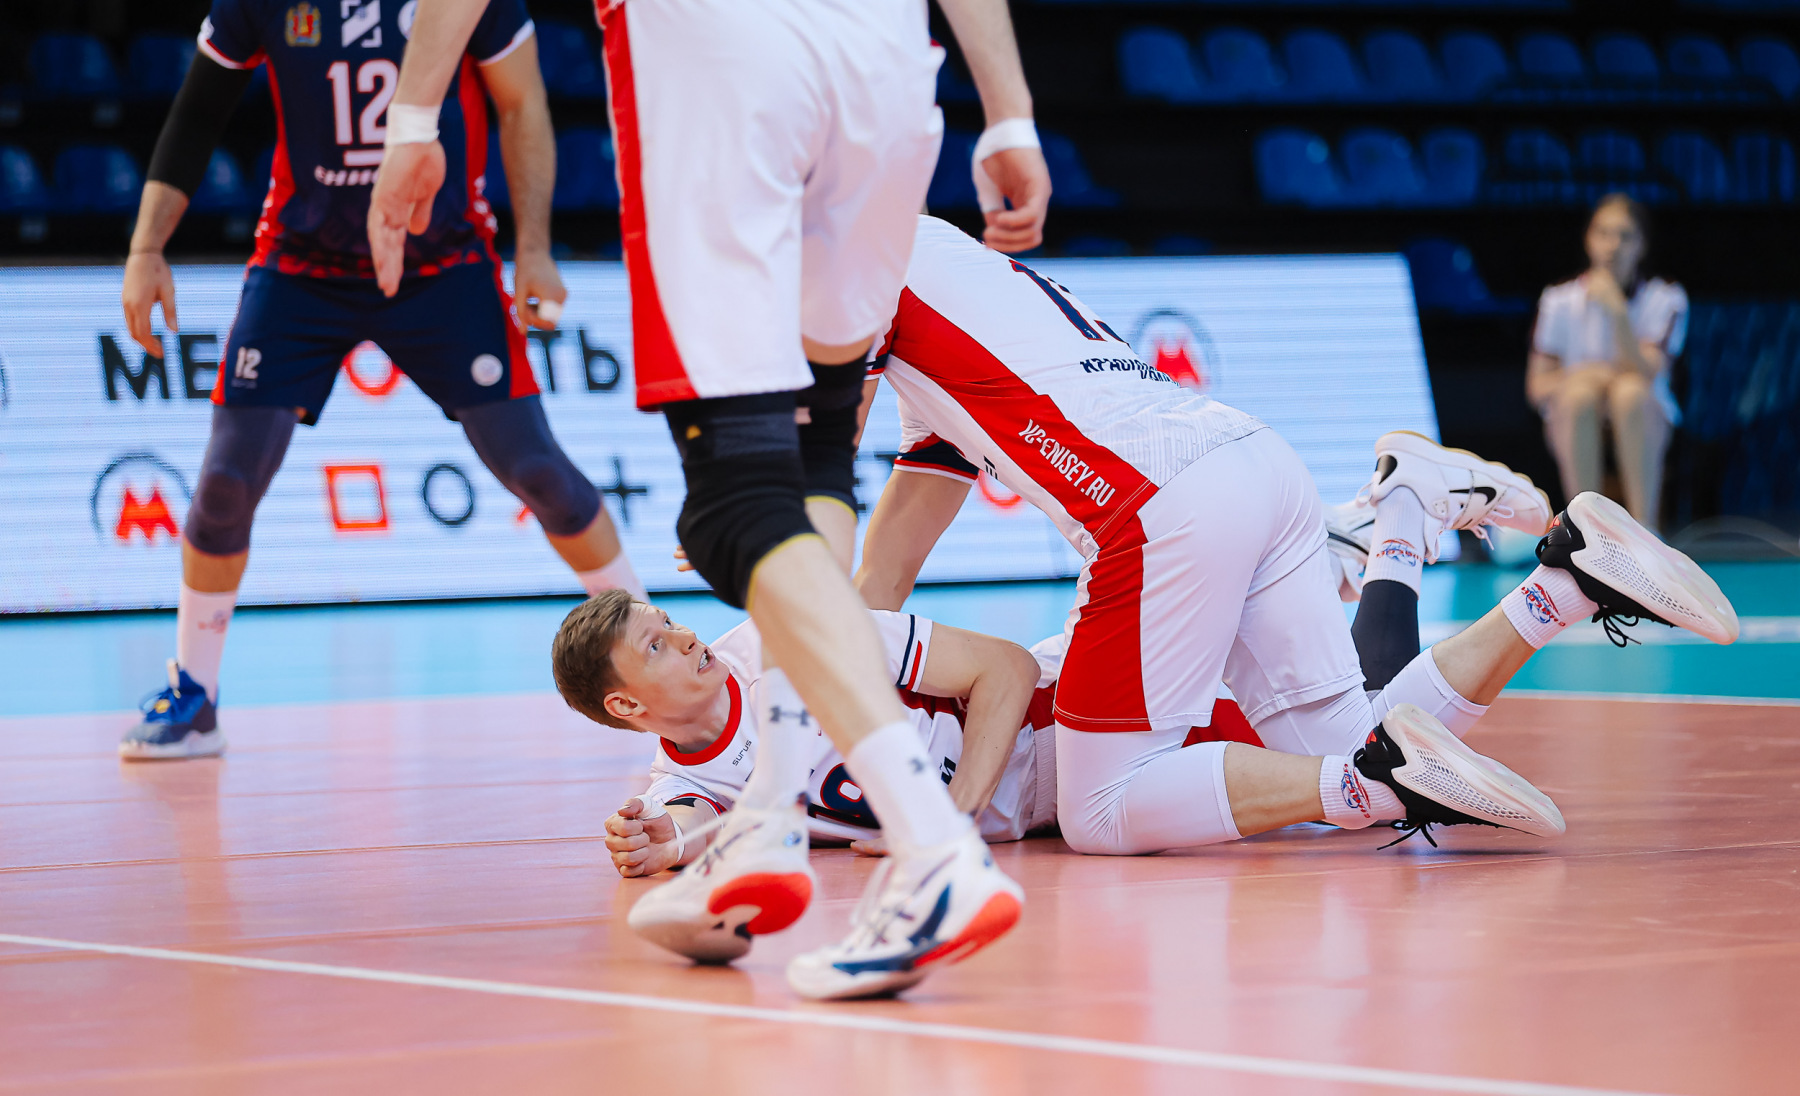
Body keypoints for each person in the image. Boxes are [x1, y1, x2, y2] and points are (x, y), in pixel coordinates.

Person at [368, 0, 1052, 999]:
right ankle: (768, 813)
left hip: (711, 14)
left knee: (733, 504)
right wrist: (1009, 113)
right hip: (879, 29)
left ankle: (933, 851)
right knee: (817, 450)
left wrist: (412, 121)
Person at [853, 216, 1740, 857]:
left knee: (1103, 809)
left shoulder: (853, 265)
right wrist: (841, 647)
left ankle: (1368, 779)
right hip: (1253, 459)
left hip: (1159, 512)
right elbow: (892, 555)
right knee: (1341, 738)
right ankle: (1564, 579)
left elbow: (810, 474)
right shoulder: (952, 272)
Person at [115, 0, 643, 761]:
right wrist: (145, 248)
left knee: (538, 469)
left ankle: (650, 656)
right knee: (224, 484)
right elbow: (197, 115)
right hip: (304, 266)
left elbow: (521, 104)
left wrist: (534, 249)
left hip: (443, 263)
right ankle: (195, 697)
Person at [560, 592, 1570, 978]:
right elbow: (685, 823)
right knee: (1365, 725)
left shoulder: (787, 638)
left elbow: (1000, 669)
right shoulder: (688, 778)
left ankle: (1482, 571)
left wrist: (951, 819)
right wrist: (654, 848)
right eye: (656, 644)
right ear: (628, 705)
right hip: (1060, 797)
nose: (683, 636)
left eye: (668, 620)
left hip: (1073, 715)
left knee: (1359, 733)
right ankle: (1515, 578)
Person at [1527, 193, 1688, 531]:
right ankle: (1584, 530)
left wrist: (1617, 311)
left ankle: (1645, 529)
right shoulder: (1558, 299)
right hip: (1575, 411)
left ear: (1642, 245)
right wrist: (1589, 375)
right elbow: (1537, 387)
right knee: (1578, 395)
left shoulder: (1666, 297)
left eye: (1625, 236)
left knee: (1630, 392)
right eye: (1603, 233)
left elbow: (1648, 372)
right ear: (1588, 240)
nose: (1613, 246)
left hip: (1643, 414)